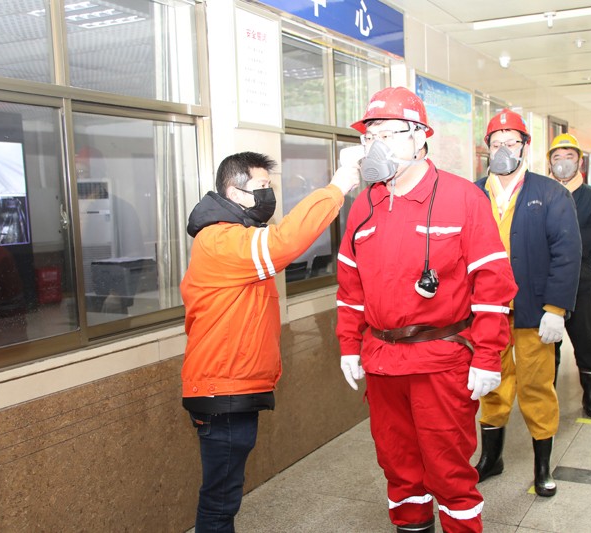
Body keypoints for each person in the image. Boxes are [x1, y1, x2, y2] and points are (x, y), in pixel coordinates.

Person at [335, 87, 517, 533]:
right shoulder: (364, 205)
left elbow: (492, 286)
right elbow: (350, 286)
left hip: (442, 361)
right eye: (370, 136)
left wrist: (487, 355)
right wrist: (349, 345)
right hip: (383, 362)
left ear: (420, 137)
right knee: (398, 469)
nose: (377, 145)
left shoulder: (462, 198)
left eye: (389, 133)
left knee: (449, 473)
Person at [180, 151, 359, 533]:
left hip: (231, 385)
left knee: (224, 494)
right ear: (234, 192)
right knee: (220, 500)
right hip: (221, 387)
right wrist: (337, 188)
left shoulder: (236, 236)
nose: (268, 194)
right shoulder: (219, 240)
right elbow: (283, 242)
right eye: (261, 186)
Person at [473, 109, 581, 497]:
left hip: (534, 311)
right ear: (487, 148)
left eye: (512, 142)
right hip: (487, 312)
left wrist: (556, 309)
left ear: (525, 147)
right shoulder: (473, 194)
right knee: (491, 383)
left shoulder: (550, 193)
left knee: (537, 385)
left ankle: (542, 466)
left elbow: (567, 254)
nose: (504, 150)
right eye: (496, 143)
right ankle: (491, 458)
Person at [548, 133, 591, 418]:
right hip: (549, 282)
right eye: (557, 157)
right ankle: (548, 400)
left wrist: (559, 246)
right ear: (549, 163)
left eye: (569, 157)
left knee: (585, 339)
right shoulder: (543, 193)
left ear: (580, 161)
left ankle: (590, 397)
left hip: (582, 281)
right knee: (549, 343)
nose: (563, 162)